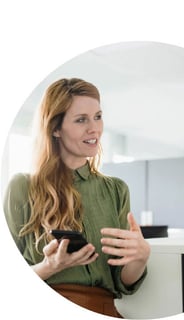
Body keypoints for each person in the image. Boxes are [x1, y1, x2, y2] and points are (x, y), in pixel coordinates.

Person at [3, 78, 150, 318]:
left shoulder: (116, 189)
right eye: (81, 120)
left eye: (98, 116)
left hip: (104, 309)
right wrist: (50, 266)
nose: (94, 129)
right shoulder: (22, 187)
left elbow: (122, 280)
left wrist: (141, 258)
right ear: (55, 128)